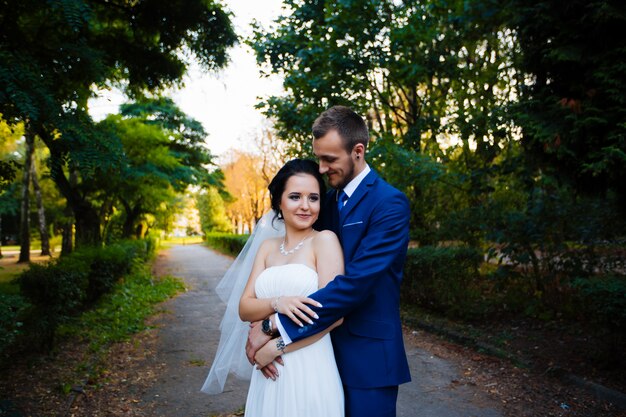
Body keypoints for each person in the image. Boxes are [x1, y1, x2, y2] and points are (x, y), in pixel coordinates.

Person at [247, 105, 412, 417]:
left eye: (330, 159)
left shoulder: (389, 204)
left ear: (358, 151)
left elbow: (354, 285)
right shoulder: (329, 202)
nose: (321, 169)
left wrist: (274, 329)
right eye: (319, 157)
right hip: (318, 353)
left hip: (368, 358)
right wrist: (259, 323)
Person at [202, 159, 345, 417]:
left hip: (309, 366)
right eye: (295, 196)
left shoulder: (324, 241)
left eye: (313, 198)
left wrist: (273, 348)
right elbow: (245, 307)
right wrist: (277, 303)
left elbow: (333, 316)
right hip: (267, 376)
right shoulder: (267, 247)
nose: (305, 206)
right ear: (279, 201)